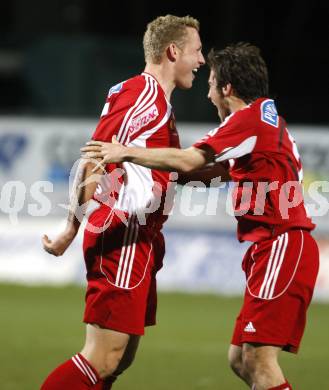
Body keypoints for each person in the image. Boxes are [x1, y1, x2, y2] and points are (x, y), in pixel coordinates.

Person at [81, 43, 320, 390]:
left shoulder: (247, 120)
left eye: (210, 84)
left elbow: (190, 160)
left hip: (282, 245)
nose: (207, 94)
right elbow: (214, 173)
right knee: (240, 359)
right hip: (277, 248)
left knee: (258, 361)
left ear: (227, 88)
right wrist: (161, 179)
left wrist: (126, 153)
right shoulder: (268, 120)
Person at [41, 14, 205, 389]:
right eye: (196, 51)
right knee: (104, 356)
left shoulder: (156, 102)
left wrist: (214, 174)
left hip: (140, 238)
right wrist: (71, 225)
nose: (202, 61)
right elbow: (96, 155)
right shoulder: (144, 95)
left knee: (119, 358)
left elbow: (159, 169)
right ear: (173, 51)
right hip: (123, 232)